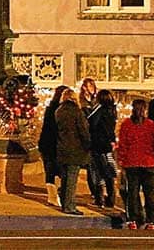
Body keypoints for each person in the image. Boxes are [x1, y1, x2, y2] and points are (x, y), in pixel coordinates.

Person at [116, 98, 154, 230]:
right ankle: (151, 220)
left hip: (131, 163)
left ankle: (132, 219)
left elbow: (122, 144)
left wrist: (122, 160)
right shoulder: (151, 125)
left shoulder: (126, 124)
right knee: (149, 193)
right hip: (148, 163)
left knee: (132, 192)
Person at [55, 87, 91, 216]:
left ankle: (65, 202)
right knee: (71, 179)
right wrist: (88, 145)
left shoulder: (59, 111)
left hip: (62, 147)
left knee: (65, 178)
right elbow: (83, 130)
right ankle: (69, 205)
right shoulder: (77, 112)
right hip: (75, 148)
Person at [87, 88, 118, 208]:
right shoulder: (112, 111)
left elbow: (92, 124)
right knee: (109, 172)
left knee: (98, 172)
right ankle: (110, 198)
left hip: (98, 144)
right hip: (107, 145)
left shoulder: (100, 110)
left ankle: (100, 198)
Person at [38, 85, 67, 206]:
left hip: (47, 144)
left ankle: (52, 196)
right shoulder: (60, 110)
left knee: (50, 171)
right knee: (60, 171)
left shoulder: (50, 108)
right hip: (55, 144)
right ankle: (56, 195)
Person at [79, 78, 100, 202]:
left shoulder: (96, 101)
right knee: (91, 166)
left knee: (96, 166)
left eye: (92, 86)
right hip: (88, 137)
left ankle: (97, 190)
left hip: (96, 136)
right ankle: (94, 191)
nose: (90, 89)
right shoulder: (81, 102)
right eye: (88, 86)